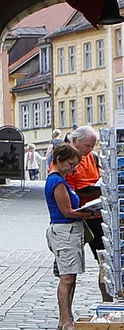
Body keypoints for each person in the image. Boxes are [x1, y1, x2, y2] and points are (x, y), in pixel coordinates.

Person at [45, 143, 102, 330]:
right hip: (65, 231)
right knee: (67, 277)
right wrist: (90, 213)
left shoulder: (62, 179)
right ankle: (66, 321)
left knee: (71, 277)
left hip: (69, 231)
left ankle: (65, 321)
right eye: (70, 164)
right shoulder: (57, 182)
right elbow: (67, 211)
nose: (73, 168)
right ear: (59, 160)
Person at [65, 126, 110, 301]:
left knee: (104, 261)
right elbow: (67, 190)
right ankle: (66, 313)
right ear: (75, 141)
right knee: (69, 268)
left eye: (92, 146)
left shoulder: (93, 157)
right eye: (86, 145)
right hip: (75, 216)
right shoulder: (66, 159)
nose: (89, 149)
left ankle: (108, 302)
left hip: (96, 217)